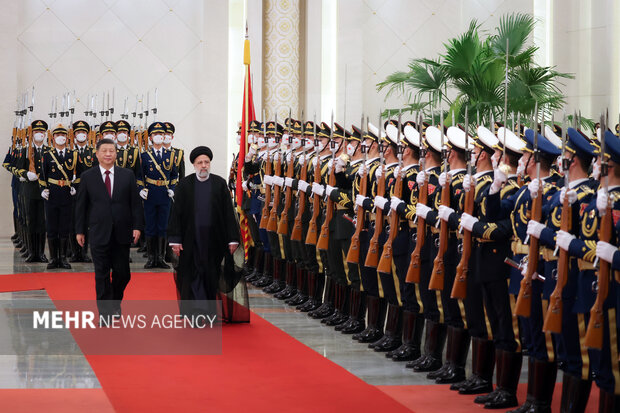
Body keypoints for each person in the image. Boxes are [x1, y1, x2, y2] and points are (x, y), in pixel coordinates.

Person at [74, 138, 143, 318]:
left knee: (123, 273)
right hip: (98, 232)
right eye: (104, 151)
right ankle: (105, 313)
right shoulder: (88, 176)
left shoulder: (127, 175)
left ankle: (114, 301)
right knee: (101, 273)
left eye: (111, 151)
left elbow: (135, 204)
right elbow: (81, 205)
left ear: (116, 154)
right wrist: (80, 230)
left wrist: (137, 226)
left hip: (122, 232)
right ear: (96, 154)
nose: (107, 154)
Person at [168, 146, 240, 303]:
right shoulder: (184, 185)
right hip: (190, 239)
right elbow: (176, 214)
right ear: (194, 164)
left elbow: (228, 213)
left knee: (210, 274)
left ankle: (208, 310)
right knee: (193, 274)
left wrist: (232, 238)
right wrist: (175, 239)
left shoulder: (219, 184)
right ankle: (195, 311)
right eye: (200, 162)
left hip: (214, 239)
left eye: (206, 162)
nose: (203, 165)